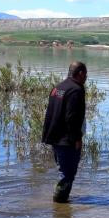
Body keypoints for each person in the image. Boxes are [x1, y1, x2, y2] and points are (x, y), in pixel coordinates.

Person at [42, 61, 87, 203]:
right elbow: (72, 117)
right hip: (67, 140)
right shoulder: (76, 90)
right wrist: (77, 138)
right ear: (80, 73)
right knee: (67, 174)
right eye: (86, 75)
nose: (86, 78)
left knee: (64, 172)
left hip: (55, 137)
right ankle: (60, 206)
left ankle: (61, 204)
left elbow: (51, 113)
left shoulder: (58, 87)